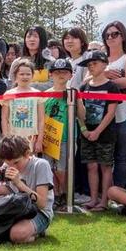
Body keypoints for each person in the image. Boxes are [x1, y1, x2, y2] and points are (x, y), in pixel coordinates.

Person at [100, 21, 126, 188]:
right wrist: (105, 73)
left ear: (122, 36)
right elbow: (87, 81)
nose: (110, 37)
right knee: (103, 157)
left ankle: (120, 191)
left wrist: (104, 78)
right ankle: (104, 193)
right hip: (102, 114)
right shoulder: (101, 58)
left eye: (114, 34)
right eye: (107, 35)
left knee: (122, 156)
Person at [78, 51, 119, 211]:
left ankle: (104, 200)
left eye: (94, 63)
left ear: (104, 64)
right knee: (91, 166)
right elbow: (78, 112)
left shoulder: (112, 86)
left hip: (106, 133)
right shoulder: (84, 86)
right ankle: (93, 199)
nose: (91, 67)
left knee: (105, 166)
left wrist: (97, 131)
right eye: (89, 65)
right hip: (86, 133)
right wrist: (84, 129)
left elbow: (111, 112)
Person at [43, 58, 85, 206]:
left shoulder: (72, 93)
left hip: (66, 136)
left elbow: (82, 115)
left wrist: (77, 98)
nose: (61, 75)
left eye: (64, 72)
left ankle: (64, 193)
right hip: (48, 136)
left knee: (63, 168)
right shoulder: (45, 94)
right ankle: (54, 194)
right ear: (51, 75)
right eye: (57, 72)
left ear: (71, 74)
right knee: (49, 167)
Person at [1, 58, 44, 155]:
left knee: (29, 165)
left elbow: (41, 119)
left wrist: (39, 140)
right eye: (21, 74)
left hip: (31, 138)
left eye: (28, 74)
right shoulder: (9, 93)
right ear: (15, 76)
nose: (25, 76)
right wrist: (5, 137)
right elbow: (4, 118)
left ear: (33, 75)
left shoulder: (38, 94)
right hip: (13, 138)